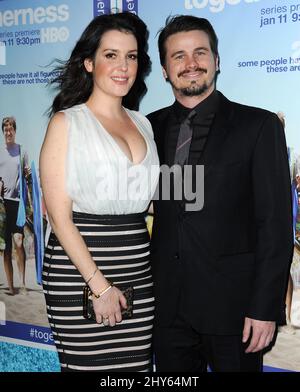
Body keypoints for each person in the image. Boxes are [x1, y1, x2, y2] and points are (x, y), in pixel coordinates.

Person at [147, 15, 293, 372]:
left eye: (200, 52)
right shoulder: (148, 128)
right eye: (178, 56)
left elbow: (274, 226)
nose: (191, 63)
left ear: (217, 61)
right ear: (165, 70)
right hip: (167, 313)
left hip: (236, 314)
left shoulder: (259, 126)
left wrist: (263, 308)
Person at [40, 12, 159, 372]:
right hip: (81, 271)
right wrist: (100, 287)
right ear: (89, 62)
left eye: (132, 56)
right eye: (111, 55)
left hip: (138, 267)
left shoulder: (143, 122)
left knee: (135, 369)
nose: (123, 66)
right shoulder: (66, 123)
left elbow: (153, 196)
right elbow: (59, 218)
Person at [0, 116, 30, 295]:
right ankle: (11, 286)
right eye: (5, 129)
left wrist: (28, 175)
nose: (8, 132)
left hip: (17, 204)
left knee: (19, 242)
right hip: (2, 205)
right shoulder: (0, 152)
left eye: (11, 129)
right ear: (3, 131)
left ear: (15, 131)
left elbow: (27, 173)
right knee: (6, 248)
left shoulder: (22, 151)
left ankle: (24, 282)